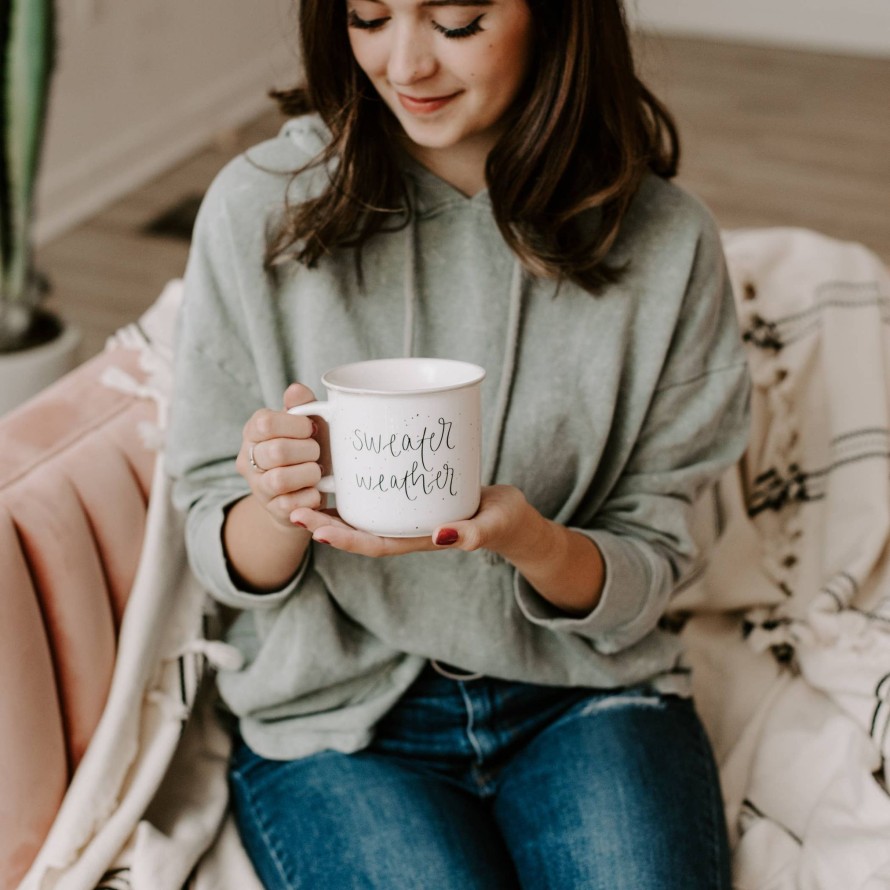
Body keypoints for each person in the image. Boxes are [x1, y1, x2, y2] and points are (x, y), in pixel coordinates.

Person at [166, 0, 751, 886]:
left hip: (581, 693)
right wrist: (277, 499)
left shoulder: (668, 243)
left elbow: (657, 562)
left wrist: (530, 539)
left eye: (457, 22)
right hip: (336, 719)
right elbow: (217, 550)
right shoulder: (259, 206)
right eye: (368, 16)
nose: (404, 66)